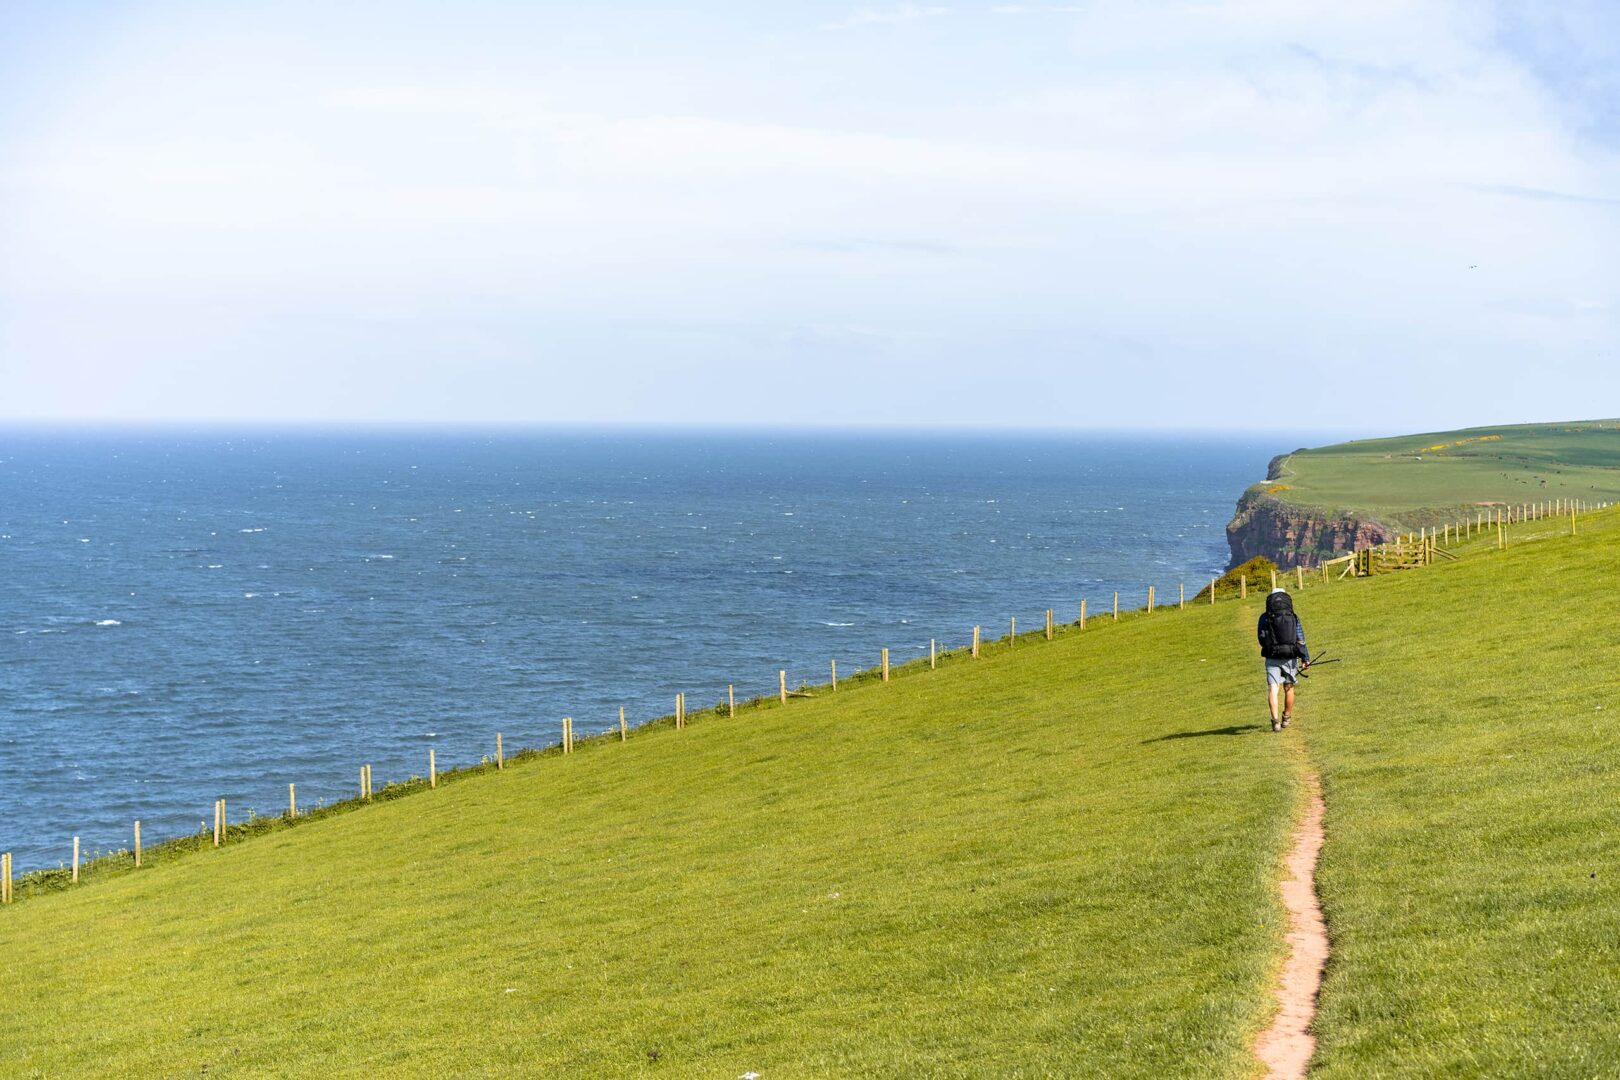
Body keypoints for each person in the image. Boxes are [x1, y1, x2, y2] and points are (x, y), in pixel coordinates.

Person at [1257, 587, 1309, 732]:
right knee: (1289, 687)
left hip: (1272, 655)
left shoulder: (1264, 617)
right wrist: (1305, 658)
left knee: (1273, 688)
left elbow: (1261, 638)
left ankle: (1275, 722)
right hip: (1290, 655)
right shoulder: (1293, 616)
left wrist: (1269, 647)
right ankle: (1286, 717)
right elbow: (1300, 639)